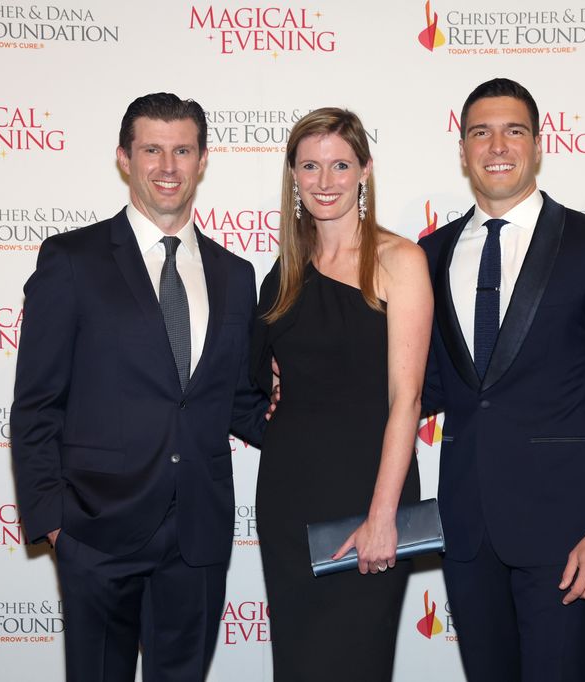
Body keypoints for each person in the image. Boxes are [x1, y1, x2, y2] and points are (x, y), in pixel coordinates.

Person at [10, 93, 268, 682]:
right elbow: (36, 404)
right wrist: (54, 519)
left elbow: (238, 402)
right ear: (124, 158)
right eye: (152, 150)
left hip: (198, 534)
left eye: (182, 150)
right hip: (96, 529)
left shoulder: (236, 274)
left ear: (203, 160)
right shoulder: (71, 260)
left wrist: (329, 415)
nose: (168, 166)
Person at [418, 78, 585, 681]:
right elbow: (431, 385)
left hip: (567, 534)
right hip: (468, 530)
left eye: (513, 130)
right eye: (481, 132)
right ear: (463, 147)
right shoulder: (430, 252)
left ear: (538, 145)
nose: (497, 145)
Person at [250, 107, 433, 681]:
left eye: (339, 165)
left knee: (357, 662)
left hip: (368, 494)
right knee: (298, 665)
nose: (324, 181)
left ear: (364, 171)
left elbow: (407, 399)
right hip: (288, 497)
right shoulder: (283, 271)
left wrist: (384, 516)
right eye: (310, 166)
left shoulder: (398, 260)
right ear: (293, 176)